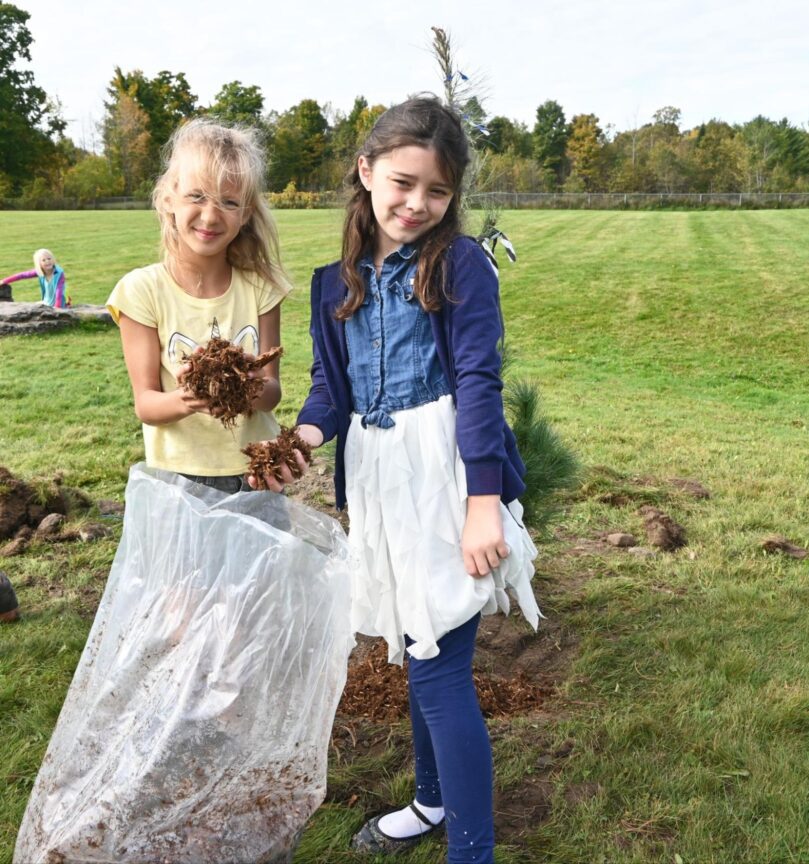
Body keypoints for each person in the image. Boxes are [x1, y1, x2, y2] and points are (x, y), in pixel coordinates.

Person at [249, 95, 540, 863]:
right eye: (404, 183)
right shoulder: (331, 282)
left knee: (441, 666)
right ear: (366, 169)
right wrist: (304, 437)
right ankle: (431, 800)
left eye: (437, 191)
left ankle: (470, 853)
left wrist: (483, 504)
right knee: (417, 644)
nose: (417, 204)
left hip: (446, 475)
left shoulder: (458, 263)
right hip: (379, 482)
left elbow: (478, 377)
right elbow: (330, 391)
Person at [106, 118, 290, 491]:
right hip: (178, 479)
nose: (209, 215)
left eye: (228, 202)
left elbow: (272, 393)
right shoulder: (141, 291)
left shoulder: (261, 288)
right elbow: (147, 405)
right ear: (168, 197)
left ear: (247, 214)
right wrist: (193, 397)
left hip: (255, 473)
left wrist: (250, 387)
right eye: (197, 196)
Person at [1, 248, 71, 307]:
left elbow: (59, 291)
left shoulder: (58, 273)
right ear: (39, 263)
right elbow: (22, 275)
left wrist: (57, 307)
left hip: (58, 304)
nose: (47, 261)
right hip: (47, 301)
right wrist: (4, 281)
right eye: (43, 260)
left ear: (53, 259)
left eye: (49, 258)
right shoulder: (41, 272)